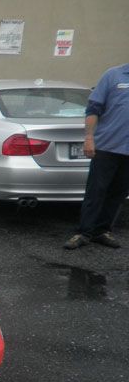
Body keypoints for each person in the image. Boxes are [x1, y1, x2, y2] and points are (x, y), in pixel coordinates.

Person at [64, 63, 129, 249]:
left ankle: (102, 231)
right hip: (108, 145)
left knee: (119, 193)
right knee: (96, 191)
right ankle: (84, 232)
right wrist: (89, 137)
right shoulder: (114, 75)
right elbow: (93, 108)